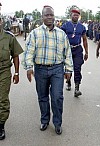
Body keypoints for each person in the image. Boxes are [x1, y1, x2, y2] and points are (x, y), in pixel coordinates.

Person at [22, 5, 73, 135]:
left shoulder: (61, 34)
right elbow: (29, 52)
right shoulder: (35, 33)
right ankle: (44, 120)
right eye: (46, 15)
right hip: (40, 70)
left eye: (51, 15)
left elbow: (67, 53)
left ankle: (57, 123)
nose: (49, 17)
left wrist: (68, 69)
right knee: (42, 97)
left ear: (54, 16)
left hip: (57, 69)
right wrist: (29, 68)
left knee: (57, 97)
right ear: (42, 17)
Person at [0, 15, 23, 140]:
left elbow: (15, 55)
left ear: (2, 22)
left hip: (4, 71)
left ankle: (1, 125)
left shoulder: (9, 37)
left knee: (2, 98)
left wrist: (17, 73)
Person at [61, 9, 88, 97]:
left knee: (77, 68)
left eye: (77, 15)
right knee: (68, 68)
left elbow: (84, 39)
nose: (75, 16)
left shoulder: (82, 27)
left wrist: (86, 52)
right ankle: (68, 82)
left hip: (77, 49)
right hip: (67, 49)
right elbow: (61, 39)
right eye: (74, 15)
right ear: (71, 15)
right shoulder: (65, 26)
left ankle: (77, 88)